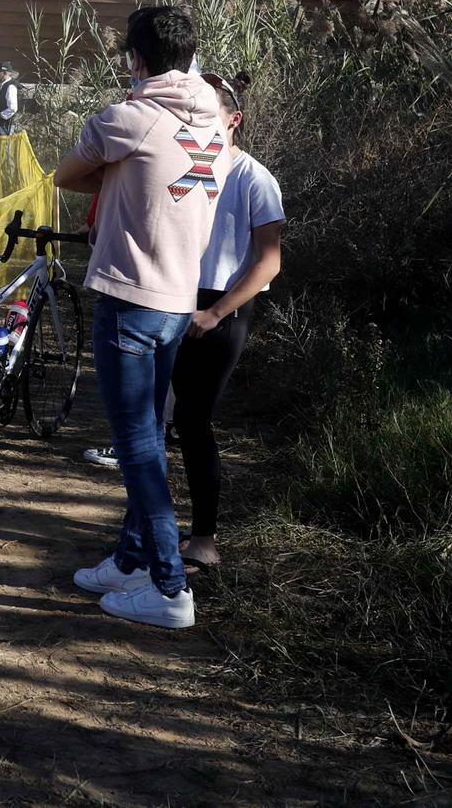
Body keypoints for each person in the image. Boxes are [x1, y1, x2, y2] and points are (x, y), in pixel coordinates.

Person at [53, 5, 229, 630]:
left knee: (137, 451)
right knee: (150, 439)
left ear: (136, 59)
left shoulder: (127, 118)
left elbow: (66, 176)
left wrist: (115, 170)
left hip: (130, 298)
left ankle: (169, 586)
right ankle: (131, 560)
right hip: (180, 302)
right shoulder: (217, 124)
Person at [173, 72, 283, 575]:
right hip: (173, 300)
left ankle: (204, 541)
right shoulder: (188, 166)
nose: (196, 121)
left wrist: (214, 313)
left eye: (208, 112)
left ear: (233, 120)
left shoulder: (254, 177)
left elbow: (268, 262)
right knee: (161, 420)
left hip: (222, 308)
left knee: (193, 421)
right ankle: (148, 528)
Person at [0, 63, 22, 135]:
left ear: (4, 73)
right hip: (1, 126)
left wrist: (0, 116)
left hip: (5, 127)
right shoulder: (5, 86)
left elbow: (13, 108)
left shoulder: (10, 87)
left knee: (4, 146)